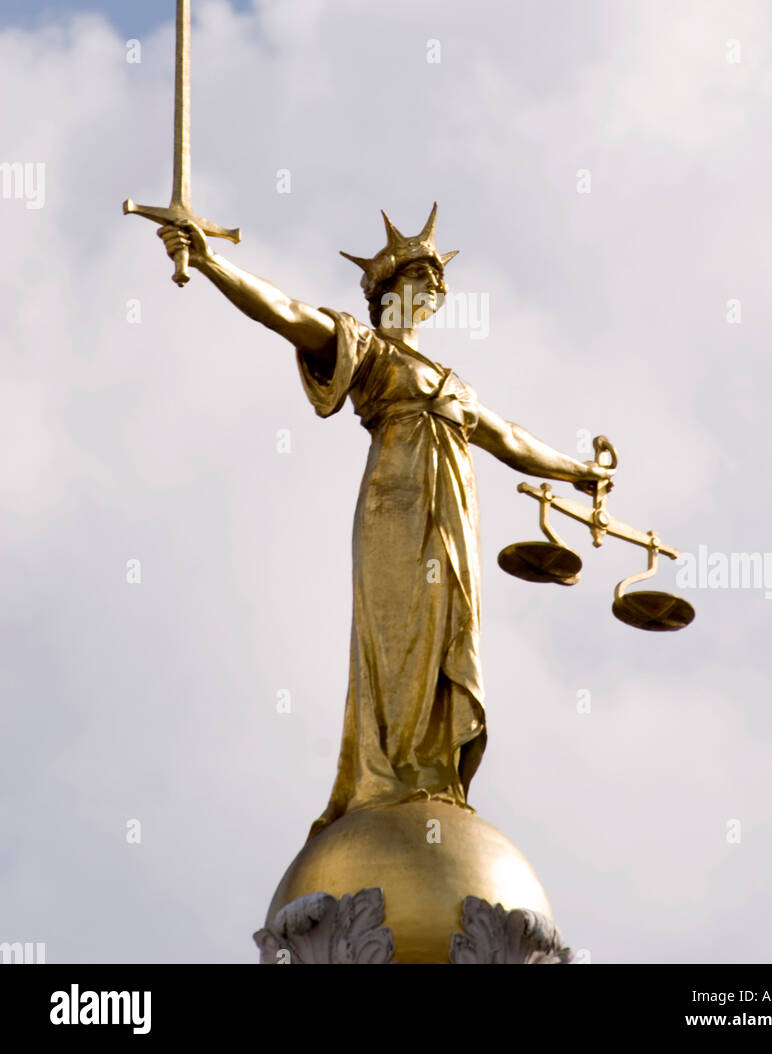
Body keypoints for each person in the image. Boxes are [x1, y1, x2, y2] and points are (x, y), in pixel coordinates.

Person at [158, 204, 612, 836]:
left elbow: (508, 437)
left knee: (446, 627)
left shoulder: (453, 382)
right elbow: (285, 313)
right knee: (398, 636)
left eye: (439, 280)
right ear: (390, 291)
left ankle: (431, 770)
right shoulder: (369, 350)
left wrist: (575, 471)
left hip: (452, 515)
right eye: (425, 276)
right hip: (395, 508)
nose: (437, 289)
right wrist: (210, 261)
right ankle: (389, 774)